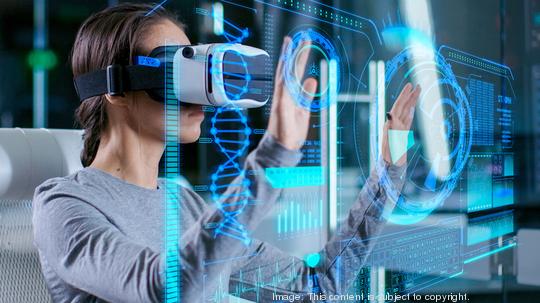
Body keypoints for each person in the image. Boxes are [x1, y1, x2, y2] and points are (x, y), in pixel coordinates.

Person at [32, 3, 421, 303]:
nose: (200, 91)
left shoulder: (183, 203)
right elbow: (165, 290)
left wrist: (388, 174)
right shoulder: (63, 204)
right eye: (177, 69)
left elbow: (317, 286)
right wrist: (273, 156)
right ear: (115, 88)